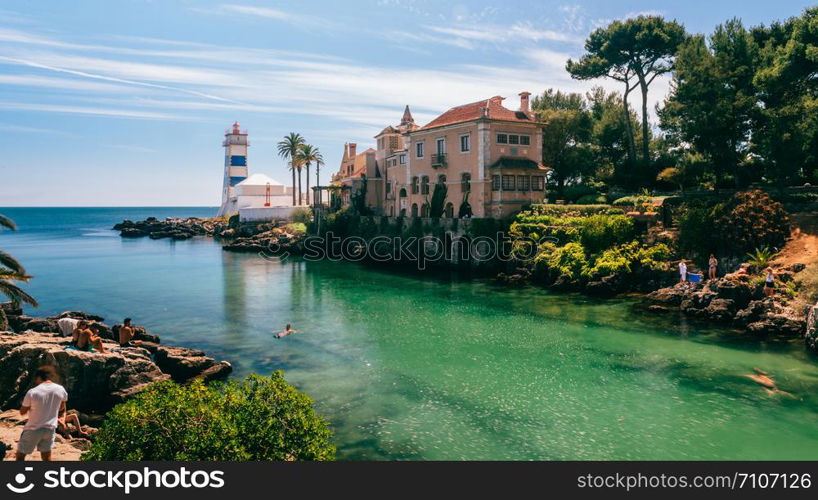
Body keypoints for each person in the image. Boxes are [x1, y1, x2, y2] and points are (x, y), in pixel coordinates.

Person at [15, 366, 68, 461]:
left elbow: (22, 412)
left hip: (33, 429)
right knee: (46, 457)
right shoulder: (61, 389)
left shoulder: (33, 392)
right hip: (50, 429)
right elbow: (62, 407)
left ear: (39, 377)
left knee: (20, 456)